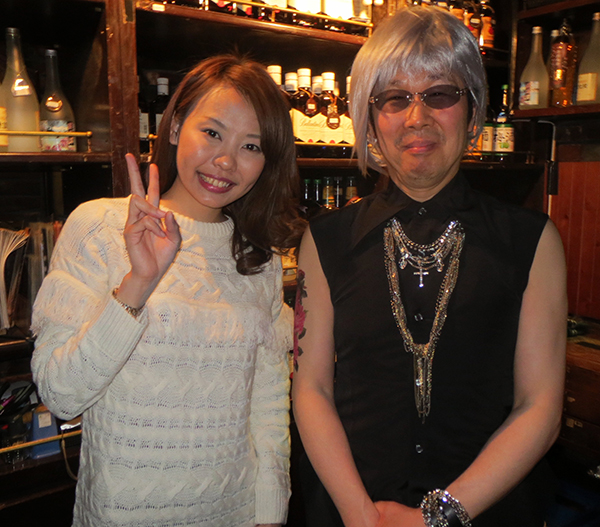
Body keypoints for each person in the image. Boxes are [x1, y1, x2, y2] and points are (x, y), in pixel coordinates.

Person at [292, 7, 567, 527]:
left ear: (473, 111)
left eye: (440, 95)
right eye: (394, 98)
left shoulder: (531, 240)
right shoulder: (325, 240)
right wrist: (360, 514)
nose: (417, 117)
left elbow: (540, 407)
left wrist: (436, 518)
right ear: (370, 121)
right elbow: (312, 390)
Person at [31, 54, 304, 527]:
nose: (225, 161)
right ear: (175, 126)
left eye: (251, 146)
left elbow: (267, 405)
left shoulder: (258, 258)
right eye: (212, 132)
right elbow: (61, 395)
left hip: (234, 513)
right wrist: (137, 284)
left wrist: (271, 512)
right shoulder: (100, 227)